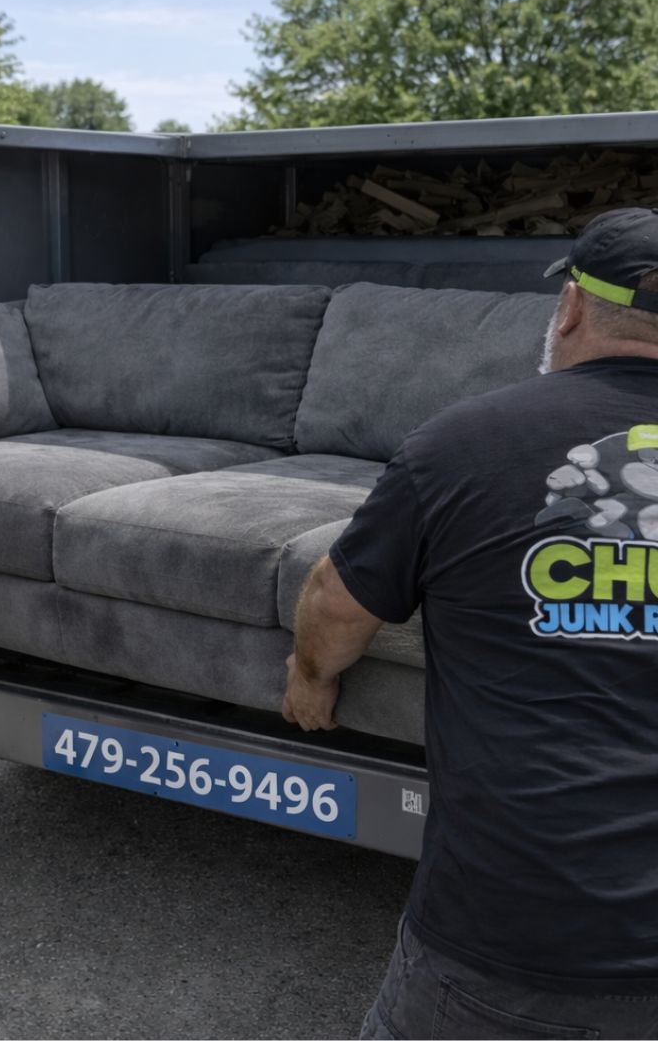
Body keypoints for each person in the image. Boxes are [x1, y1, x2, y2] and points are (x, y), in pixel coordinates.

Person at [282, 207, 658, 1040]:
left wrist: (311, 677)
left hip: (513, 942)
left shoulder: (462, 446)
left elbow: (337, 601)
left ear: (568, 308)